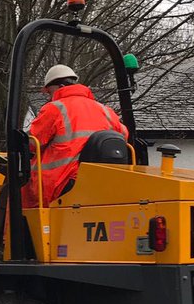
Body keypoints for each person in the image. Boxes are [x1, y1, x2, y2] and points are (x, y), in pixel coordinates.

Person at [22, 64, 129, 208]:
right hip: (100, 183)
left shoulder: (54, 109)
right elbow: (124, 136)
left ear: (60, 86)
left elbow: (32, 143)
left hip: (61, 184)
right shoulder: (105, 110)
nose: (49, 96)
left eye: (49, 91)